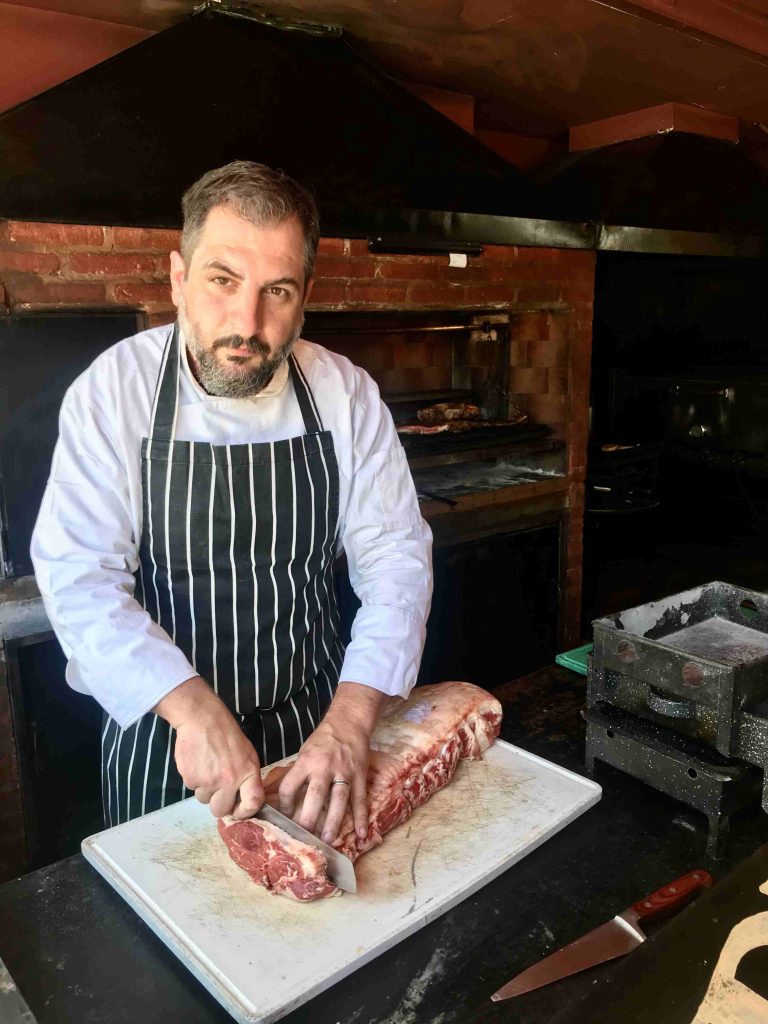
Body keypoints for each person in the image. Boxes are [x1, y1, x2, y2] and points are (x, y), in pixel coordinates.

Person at [31, 160, 433, 846]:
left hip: (318, 739)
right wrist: (190, 710)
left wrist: (351, 722)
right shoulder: (114, 392)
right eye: (222, 281)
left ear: (305, 296)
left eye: (276, 291)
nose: (247, 322)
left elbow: (396, 558)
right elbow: (80, 577)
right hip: (168, 743)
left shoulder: (344, 393)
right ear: (179, 278)